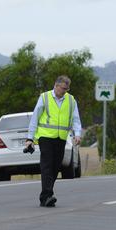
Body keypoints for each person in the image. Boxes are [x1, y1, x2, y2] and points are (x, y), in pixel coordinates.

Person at [25, 75, 82, 207]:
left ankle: (46, 195)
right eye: (63, 88)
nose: (65, 91)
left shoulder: (71, 100)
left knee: (56, 167)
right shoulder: (44, 97)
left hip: (61, 138)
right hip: (45, 137)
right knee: (47, 166)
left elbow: (76, 119)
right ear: (56, 86)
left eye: (67, 89)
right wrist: (30, 138)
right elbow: (35, 118)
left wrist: (77, 134)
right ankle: (47, 195)